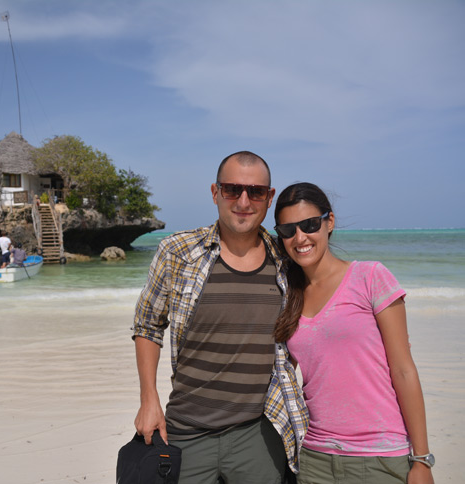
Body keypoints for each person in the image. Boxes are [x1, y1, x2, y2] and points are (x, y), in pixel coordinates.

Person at [132, 151, 308, 484]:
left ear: (269, 198)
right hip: (186, 430)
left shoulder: (286, 261)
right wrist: (148, 399)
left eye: (255, 191)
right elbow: (148, 326)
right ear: (215, 193)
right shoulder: (178, 252)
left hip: (258, 434)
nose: (244, 201)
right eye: (232, 190)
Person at [273, 182, 434, 484]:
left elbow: (403, 370)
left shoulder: (370, 277)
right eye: (288, 230)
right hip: (314, 459)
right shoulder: (288, 296)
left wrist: (422, 459)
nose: (300, 237)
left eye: (309, 225)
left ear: (329, 222)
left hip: (381, 458)